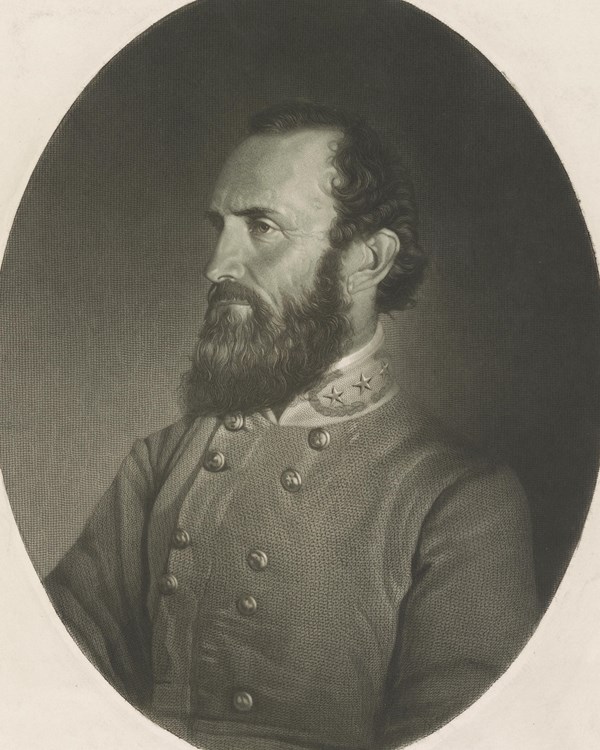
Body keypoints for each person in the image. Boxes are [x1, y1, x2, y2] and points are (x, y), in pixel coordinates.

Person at [45, 101, 539, 750]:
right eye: (220, 227)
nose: (218, 266)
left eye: (263, 227)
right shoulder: (161, 463)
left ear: (367, 260)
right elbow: (48, 682)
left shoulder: (462, 500)